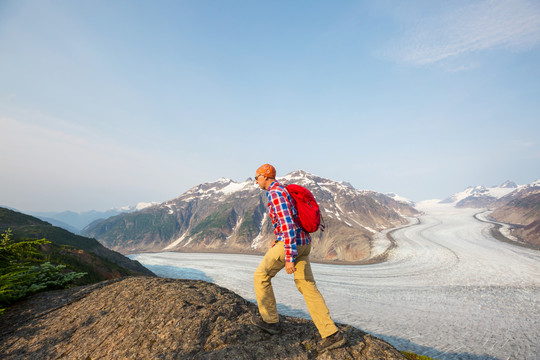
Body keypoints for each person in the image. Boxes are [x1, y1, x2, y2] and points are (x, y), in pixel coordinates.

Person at [251, 164, 346, 353]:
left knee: (261, 276)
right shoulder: (284, 190)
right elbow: (292, 221)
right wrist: (279, 240)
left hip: (291, 245)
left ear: (265, 176)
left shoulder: (275, 193)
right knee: (307, 286)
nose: (256, 181)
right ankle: (331, 334)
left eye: (256, 177)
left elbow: (287, 225)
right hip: (304, 243)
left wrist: (288, 256)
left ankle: (270, 322)